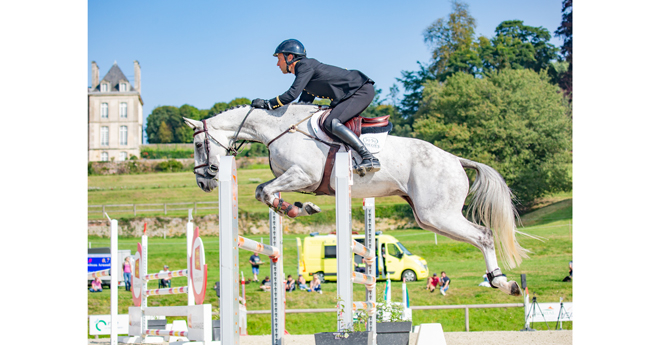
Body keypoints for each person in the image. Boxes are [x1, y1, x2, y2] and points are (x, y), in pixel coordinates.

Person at [251, 39, 380, 176]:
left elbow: (291, 94)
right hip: (353, 92)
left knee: (331, 122)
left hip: (360, 90)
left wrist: (267, 104)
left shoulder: (304, 66)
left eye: (279, 59)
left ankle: (369, 157)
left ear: (290, 57)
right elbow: (303, 104)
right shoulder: (306, 72)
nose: (277, 64)